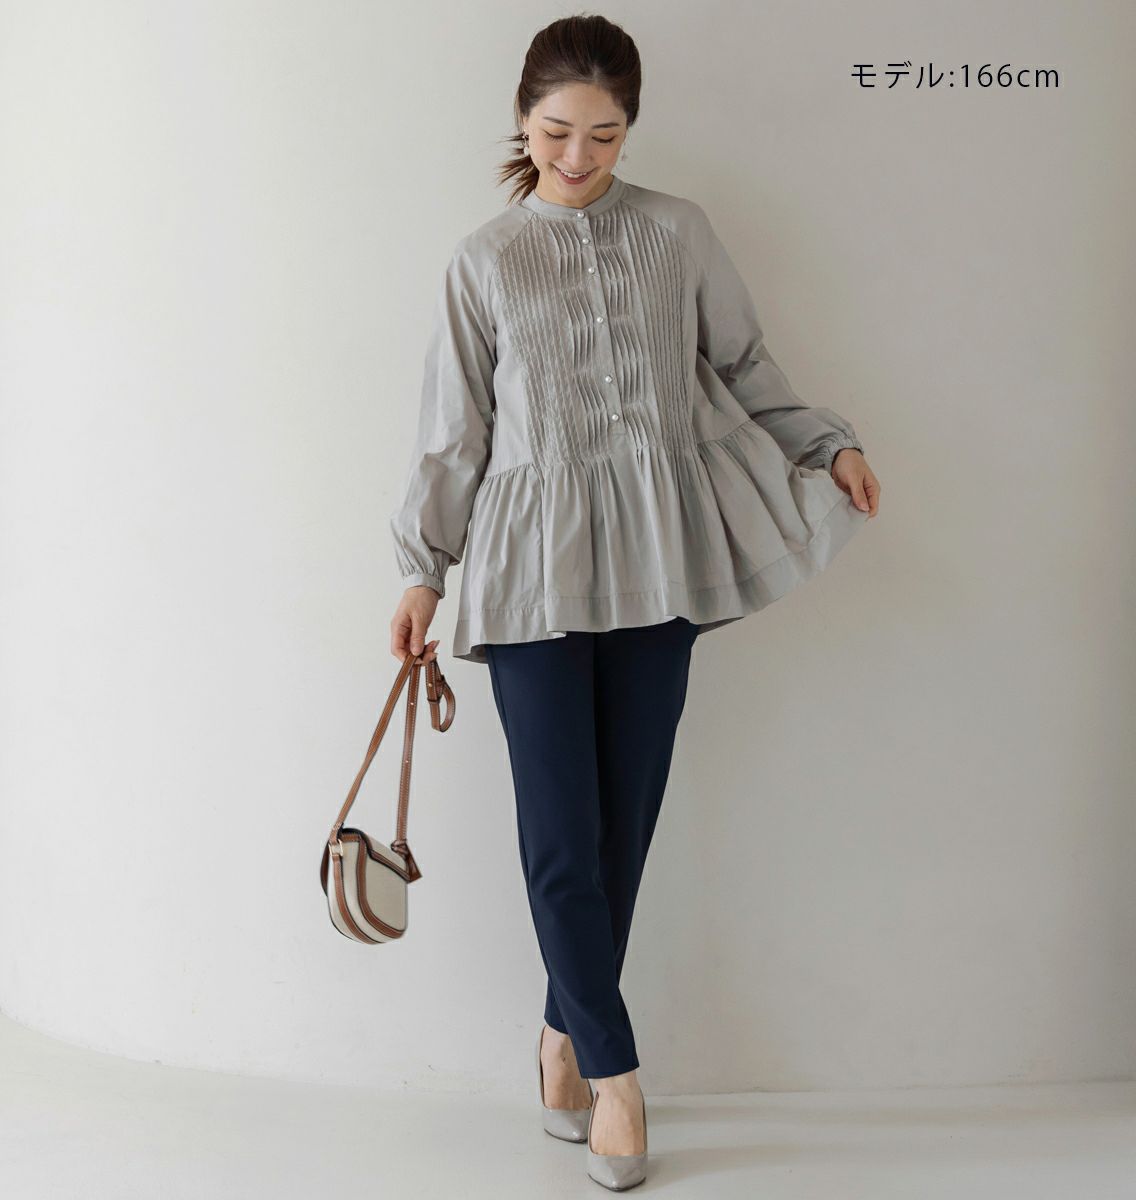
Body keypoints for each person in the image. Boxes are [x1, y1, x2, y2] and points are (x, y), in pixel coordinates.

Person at [387, 14, 881, 1191]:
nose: (577, 156)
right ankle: (616, 1078)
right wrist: (420, 570)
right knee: (563, 837)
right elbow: (454, 436)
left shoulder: (678, 231)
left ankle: (560, 1034)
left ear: (632, 129)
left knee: (623, 829)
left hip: (660, 556)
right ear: (523, 121)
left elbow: (743, 363)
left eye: (603, 136)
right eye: (557, 131)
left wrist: (827, 443)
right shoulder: (482, 261)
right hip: (527, 570)